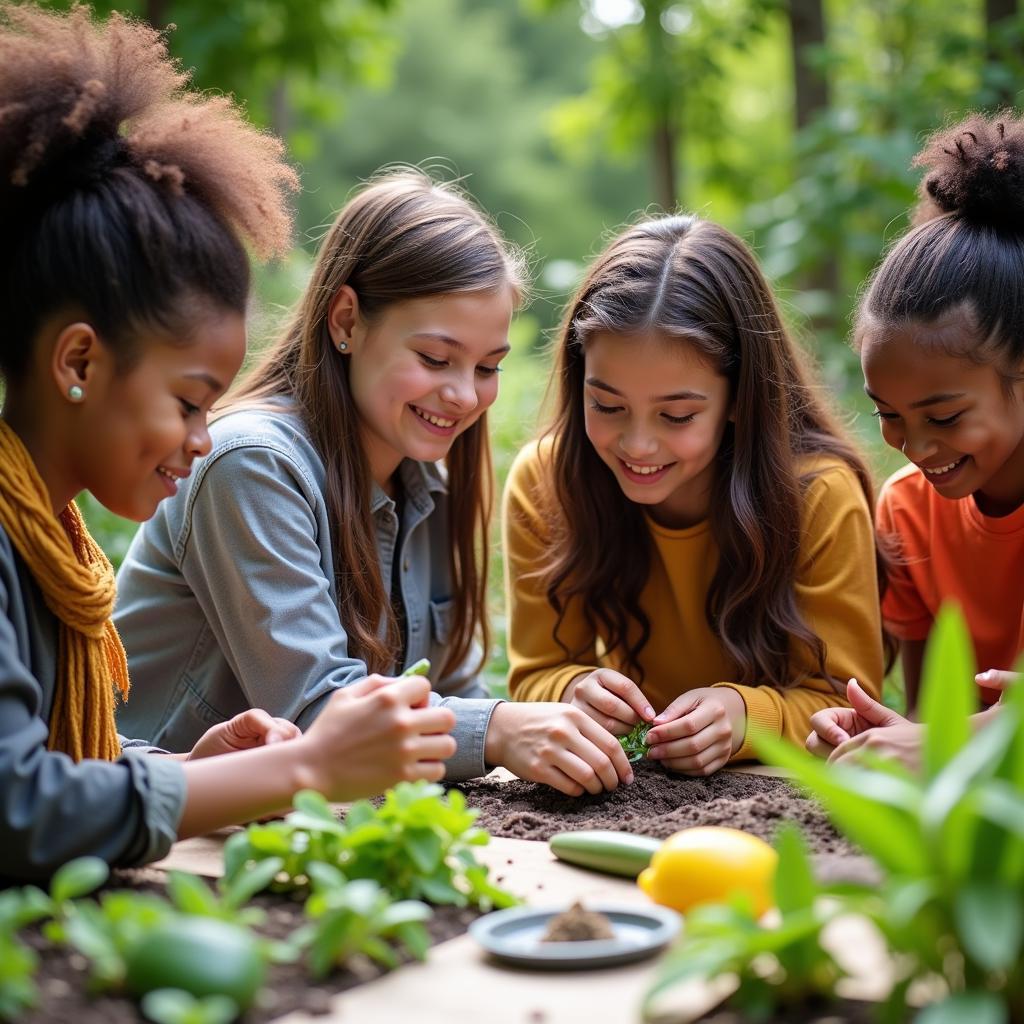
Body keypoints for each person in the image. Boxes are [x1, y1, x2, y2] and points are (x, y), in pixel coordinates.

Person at [0, 4, 459, 882]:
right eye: (189, 402)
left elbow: (61, 773)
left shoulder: (49, 539)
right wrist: (307, 767)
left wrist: (192, 772)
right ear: (80, 361)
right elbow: (19, 810)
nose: (205, 442)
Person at [114, 169, 633, 798]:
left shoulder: (426, 480)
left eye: (489, 367)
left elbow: (454, 689)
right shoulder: (249, 463)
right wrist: (498, 729)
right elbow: (318, 712)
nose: (465, 395)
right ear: (347, 321)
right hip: (160, 816)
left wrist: (560, 721)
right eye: (435, 360)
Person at [503, 215, 886, 776]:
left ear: (738, 398)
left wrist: (744, 714)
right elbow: (535, 674)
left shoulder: (818, 494)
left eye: (677, 415)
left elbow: (845, 708)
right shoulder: (547, 481)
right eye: (606, 405)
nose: (637, 443)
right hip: (630, 786)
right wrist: (574, 689)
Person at [807, 113, 1024, 765]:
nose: (917, 448)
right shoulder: (910, 511)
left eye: (946, 416)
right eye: (888, 414)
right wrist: (876, 735)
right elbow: (936, 716)